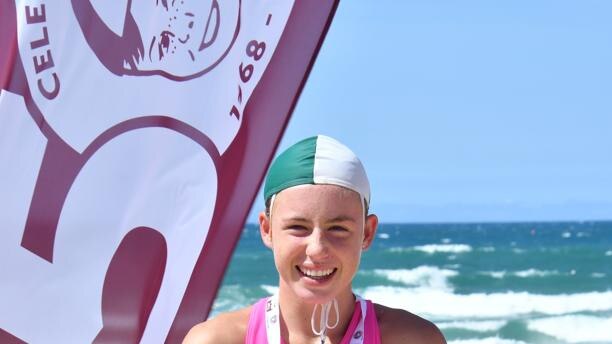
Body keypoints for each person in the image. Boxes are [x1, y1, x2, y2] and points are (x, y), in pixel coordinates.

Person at [184, 135, 446, 343]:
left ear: (366, 233)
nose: (318, 249)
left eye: (338, 229)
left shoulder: (413, 339)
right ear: (267, 229)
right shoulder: (216, 340)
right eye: (298, 227)